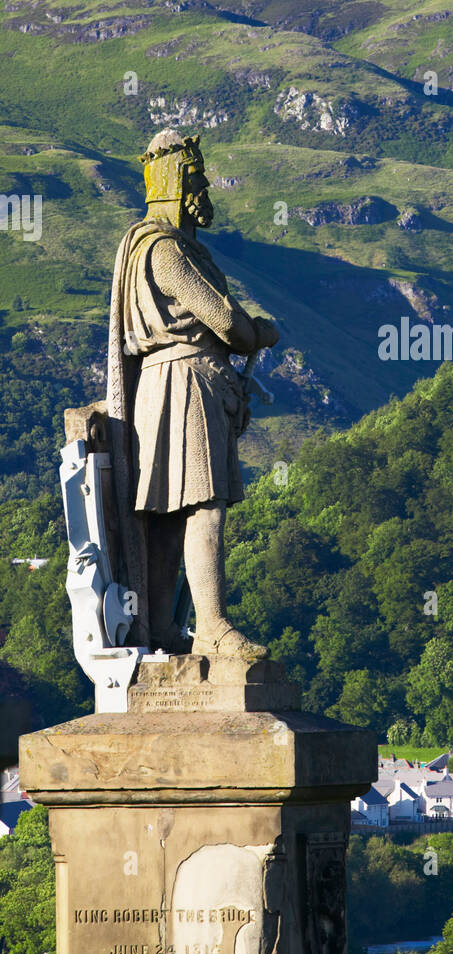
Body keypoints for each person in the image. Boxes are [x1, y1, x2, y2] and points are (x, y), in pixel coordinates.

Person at [108, 129, 278, 660]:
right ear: (180, 183)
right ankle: (211, 626)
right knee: (203, 504)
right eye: (199, 178)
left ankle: (162, 629)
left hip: (170, 387)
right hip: (185, 386)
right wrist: (258, 332)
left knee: (167, 514)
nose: (206, 190)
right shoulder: (164, 251)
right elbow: (225, 320)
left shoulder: (172, 248)